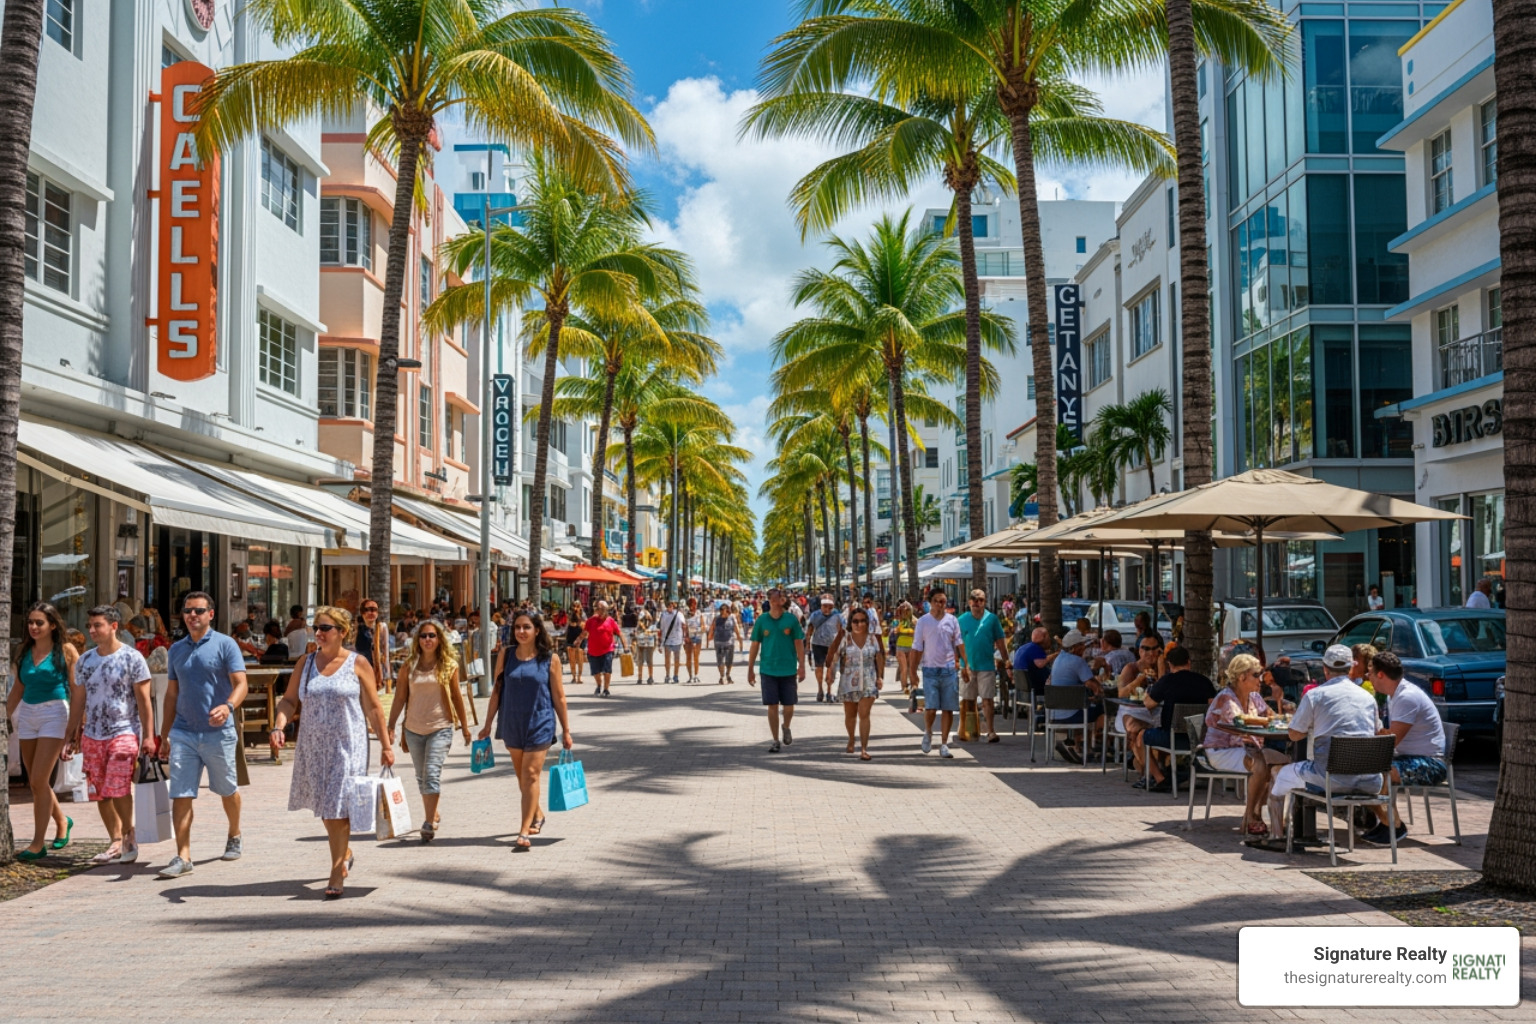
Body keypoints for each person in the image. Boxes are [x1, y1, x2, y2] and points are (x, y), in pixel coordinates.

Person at [271, 607, 390, 898]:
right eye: (317, 627)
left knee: (338, 806)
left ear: (342, 632)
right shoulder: (306, 663)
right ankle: (345, 852)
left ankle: (336, 871)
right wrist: (278, 725)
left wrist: (386, 745)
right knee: (326, 807)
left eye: (325, 628)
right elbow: (288, 701)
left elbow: (374, 707)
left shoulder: (358, 663)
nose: (319, 633)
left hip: (348, 746)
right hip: (313, 748)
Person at [157, 592, 248, 879]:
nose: (192, 616)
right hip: (183, 731)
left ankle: (235, 833)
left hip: (218, 732)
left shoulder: (225, 644)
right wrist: (163, 734)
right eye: (187, 611)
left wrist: (228, 705)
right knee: (181, 793)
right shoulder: (176, 649)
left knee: (226, 790)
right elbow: (171, 694)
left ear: (211, 613)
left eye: (198, 611)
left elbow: (241, 683)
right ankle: (183, 856)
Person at [1266, 644, 1384, 841]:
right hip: (1371, 781)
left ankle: (1276, 836)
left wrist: (1313, 724)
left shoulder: (1315, 695)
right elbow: (1377, 732)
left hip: (1332, 779)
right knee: (1322, 771)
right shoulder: (1367, 698)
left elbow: (1294, 735)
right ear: (1350, 668)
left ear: (1325, 669)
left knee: (1277, 773)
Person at [481, 610, 573, 850]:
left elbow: (559, 697)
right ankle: (538, 813)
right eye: (517, 628)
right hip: (511, 722)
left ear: (537, 630)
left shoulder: (549, 659)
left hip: (540, 722)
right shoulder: (506, 654)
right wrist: (488, 723)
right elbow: (497, 691)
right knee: (523, 777)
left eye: (526, 627)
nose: (521, 632)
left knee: (531, 774)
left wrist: (567, 730)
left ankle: (524, 831)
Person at [71, 606, 155, 865]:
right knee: (100, 792)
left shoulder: (132, 658)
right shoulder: (85, 661)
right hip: (93, 734)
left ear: (114, 626)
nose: (92, 630)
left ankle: (129, 834)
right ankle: (115, 840)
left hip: (124, 731)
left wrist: (149, 736)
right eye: (90, 625)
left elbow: (144, 701)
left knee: (117, 787)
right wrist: (71, 734)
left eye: (98, 625)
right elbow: (78, 700)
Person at [6, 602, 81, 860]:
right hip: (28, 714)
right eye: (31, 622)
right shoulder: (24, 650)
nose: (34, 627)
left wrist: (75, 727)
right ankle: (62, 821)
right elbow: (18, 688)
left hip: (55, 713)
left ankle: (38, 844)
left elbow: (76, 689)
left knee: (39, 780)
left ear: (52, 624)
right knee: (34, 782)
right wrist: (4, 715)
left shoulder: (66, 650)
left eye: (39, 622)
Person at [385, 620, 472, 842]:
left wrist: (464, 726)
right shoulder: (409, 665)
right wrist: (391, 725)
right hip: (413, 729)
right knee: (421, 776)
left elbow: (456, 696)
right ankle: (433, 814)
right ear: (418, 640)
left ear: (439, 639)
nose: (427, 640)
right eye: (423, 636)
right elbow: (400, 697)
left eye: (432, 635)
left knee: (431, 773)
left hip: (440, 727)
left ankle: (427, 822)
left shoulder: (448, 666)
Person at [1362, 650, 1447, 846]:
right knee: (1364, 771)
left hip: (1430, 764)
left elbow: (1391, 742)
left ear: (1381, 674)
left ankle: (1393, 826)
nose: (1368, 677)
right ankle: (1386, 823)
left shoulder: (1406, 697)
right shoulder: (1396, 695)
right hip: (1408, 758)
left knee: (1372, 773)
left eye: (1370, 673)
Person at [1205, 654, 1288, 837]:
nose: (1261, 679)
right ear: (1242, 676)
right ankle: (1251, 816)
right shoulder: (1226, 698)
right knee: (1259, 763)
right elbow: (1239, 720)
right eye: (1257, 674)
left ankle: (1258, 814)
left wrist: (1280, 702)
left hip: (1248, 749)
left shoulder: (1254, 697)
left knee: (1278, 764)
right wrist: (1267, 721)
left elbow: (1273, 716)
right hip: (1222, 750)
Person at [1141, 645, 1215, 792]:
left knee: (1140, 737)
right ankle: (1169, 770)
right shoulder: (1204, 681)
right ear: (1189, 662)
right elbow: (1213, 707)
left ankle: (1159, 778)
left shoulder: (1167, 681)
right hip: (1198, 739)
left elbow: (1148, 704)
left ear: (1169, 664)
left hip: (1172, 738)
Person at [746, 588, 806, 753]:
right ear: (769, 601)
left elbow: (799, 643)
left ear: (782, 601)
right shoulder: (762, 620)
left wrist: (802, 665)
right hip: (768, 669)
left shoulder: (791, 620)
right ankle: (775, 739)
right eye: (773, 598)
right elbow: (755, 645)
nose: (776, 601)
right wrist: (750, 668)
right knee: (772, 705)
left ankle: (786, 726)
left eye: (779, 598)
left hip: (788, 669)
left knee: (789, 705)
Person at [912, 588, 965, 758]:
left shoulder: (952, 620)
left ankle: (944, 743)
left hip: (949, 669)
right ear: (930, 602)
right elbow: (917, 647)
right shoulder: (923, 622)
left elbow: (959, 642)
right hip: (930, 669)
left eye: (943, 601)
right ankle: (928, 732)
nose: (940, 605)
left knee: (948, 708)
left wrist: (966, 664)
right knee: (931, 707)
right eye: (937, 601)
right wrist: (912, 671)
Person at [827, 605, 885, 760]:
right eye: (855, 621)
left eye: (862, 621)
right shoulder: (845, 638)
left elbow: (879, 657)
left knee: (864, 714)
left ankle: (864, 748)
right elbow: (836, 656)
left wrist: (880, 677)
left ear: (867, 622)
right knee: (850, 714)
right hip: (848, 680)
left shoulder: (873, 638)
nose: (859, 624)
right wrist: (831, 674)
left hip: (868, 680)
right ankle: (851, 739)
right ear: (850, 623)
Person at [958, 590, 1009, 743]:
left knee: (988, 699)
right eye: (974, 599)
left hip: (986, 665)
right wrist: (958, 663)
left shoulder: (992, 619)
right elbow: (956, 644)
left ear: (984, 602)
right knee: (968, 700)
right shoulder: (961, 620)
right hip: (967, 666)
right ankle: (968, 730)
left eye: (980, 600)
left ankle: (991, 731)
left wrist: (1006, 660)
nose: (977, 602)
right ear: (969, 602)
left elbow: (1000, 641)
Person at [1048, 629, 1101, 765]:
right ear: (1075, 647)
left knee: (1084, 705)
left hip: (1054, 712)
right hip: (1072, 713)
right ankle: (1090, 747)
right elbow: (1091, 685)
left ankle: (1078, 746)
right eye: (1082, 645)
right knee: (1101, 709)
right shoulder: (1078, 661)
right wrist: (1100, 693)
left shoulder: (1058, 659)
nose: (1084, 647)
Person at [1115, 634, 1164, 777]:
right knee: (1135, 729)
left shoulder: (1163, 667)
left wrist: (1160, 666)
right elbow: (1121, 694)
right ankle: (1147, 770)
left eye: (1155, 649)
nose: (1150, 653)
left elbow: (1162, 692)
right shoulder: (1131, 668)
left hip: (1156, 714)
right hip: (1131, 712)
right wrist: (1139, 680)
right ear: (1139, 651)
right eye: (1145, 649)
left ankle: (1147, 767)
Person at [807, 594, 846, 703]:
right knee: (819, 668)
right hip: (818, 644)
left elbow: (843, 629)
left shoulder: (838, 615)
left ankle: (829, 691)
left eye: (830, 607)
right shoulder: (815, 615)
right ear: (821, 605)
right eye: (825, 606)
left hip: (832, 646)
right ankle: (820, 688)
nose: (827, 609)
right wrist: (807, 646)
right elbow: (809, 629)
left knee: (831, 669)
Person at [581, 601, 623, 697]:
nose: (601, 611)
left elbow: (619, 633)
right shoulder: (590, 621)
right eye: (599, 609)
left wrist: (625, 646)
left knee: (607, 670)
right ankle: (599, 685)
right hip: (593, 650)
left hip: (608, 649)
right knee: (595, 672)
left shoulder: (611, 621)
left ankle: (606, 689)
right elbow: (584, 632)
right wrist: (578, 641)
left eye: (603, 609)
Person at [354, 599, 392, 692]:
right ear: (362, 613)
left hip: (376, 669)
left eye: (375, 610)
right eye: (368, 610)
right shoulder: (356, 629)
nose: (372, 613)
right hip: (360, 669)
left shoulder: (382, 627)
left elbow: (385, 650)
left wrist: (387, 675)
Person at [658, 599, 686, 684]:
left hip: (677, 639)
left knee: (677, 659)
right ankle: (667, 675)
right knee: (667, 659)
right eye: (669, 606)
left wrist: (684, 637)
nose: (670, 607)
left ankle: (675, 676)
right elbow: (661, 628)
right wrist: (660, 642)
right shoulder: (663, 615)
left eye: (671, 605)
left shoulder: (679, 614)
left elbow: (684, 625)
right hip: (667, 639)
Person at [711, 602, 741, 684]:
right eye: (722, 612)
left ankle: (728, 674)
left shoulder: (732, 618)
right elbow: (712, 628)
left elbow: (736, 629)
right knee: (720, 661)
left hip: (729, 643)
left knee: (729, 661)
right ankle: (722, 676)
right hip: (718, 642)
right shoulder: (716, 618)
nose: (723, 614)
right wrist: (709, 637)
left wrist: (740, 640)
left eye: (725, 612)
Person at [892, 602, 917, 693]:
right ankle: (904, 686)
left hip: (911, 646)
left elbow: (917, 633)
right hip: (900, 646)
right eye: (903, 610)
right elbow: (894, 631)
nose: (905, 612)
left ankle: (912, 685)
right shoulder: (898, 621)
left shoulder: (914, 621)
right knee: (904, 668)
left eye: (907, 610)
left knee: (911, 668)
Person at [684, 597, 707, 684]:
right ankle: (690, 676)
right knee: (689, 657)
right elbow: (684, 626)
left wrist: (701, 628)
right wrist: (686, 636)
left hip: (697, 637)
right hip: (688, 637)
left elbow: (703, 625)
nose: (694, 605)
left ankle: (696, 675)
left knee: (696, 656)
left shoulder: (699, 613)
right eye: (693, 603)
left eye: (695, 603)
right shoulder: (686, 614)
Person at [563, 604, 586, 688]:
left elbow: (585, 632)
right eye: (574, 607)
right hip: (571, 640)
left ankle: (578, 677)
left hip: (579, 642)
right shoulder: (571, 620)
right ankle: (574, 677)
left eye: (577, 607)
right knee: (572, 659)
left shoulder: (582, 622)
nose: (575, 608)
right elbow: (566, 630)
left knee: (579, 660)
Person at [632, 611, 658, 683]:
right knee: (644, 661)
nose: (646, 621)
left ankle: (647, 677)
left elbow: (655, 635)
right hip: (644, 643)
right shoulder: (648, 626)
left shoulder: (651, 626)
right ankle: (644, 677)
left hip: (647, 643)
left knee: (645, 661)